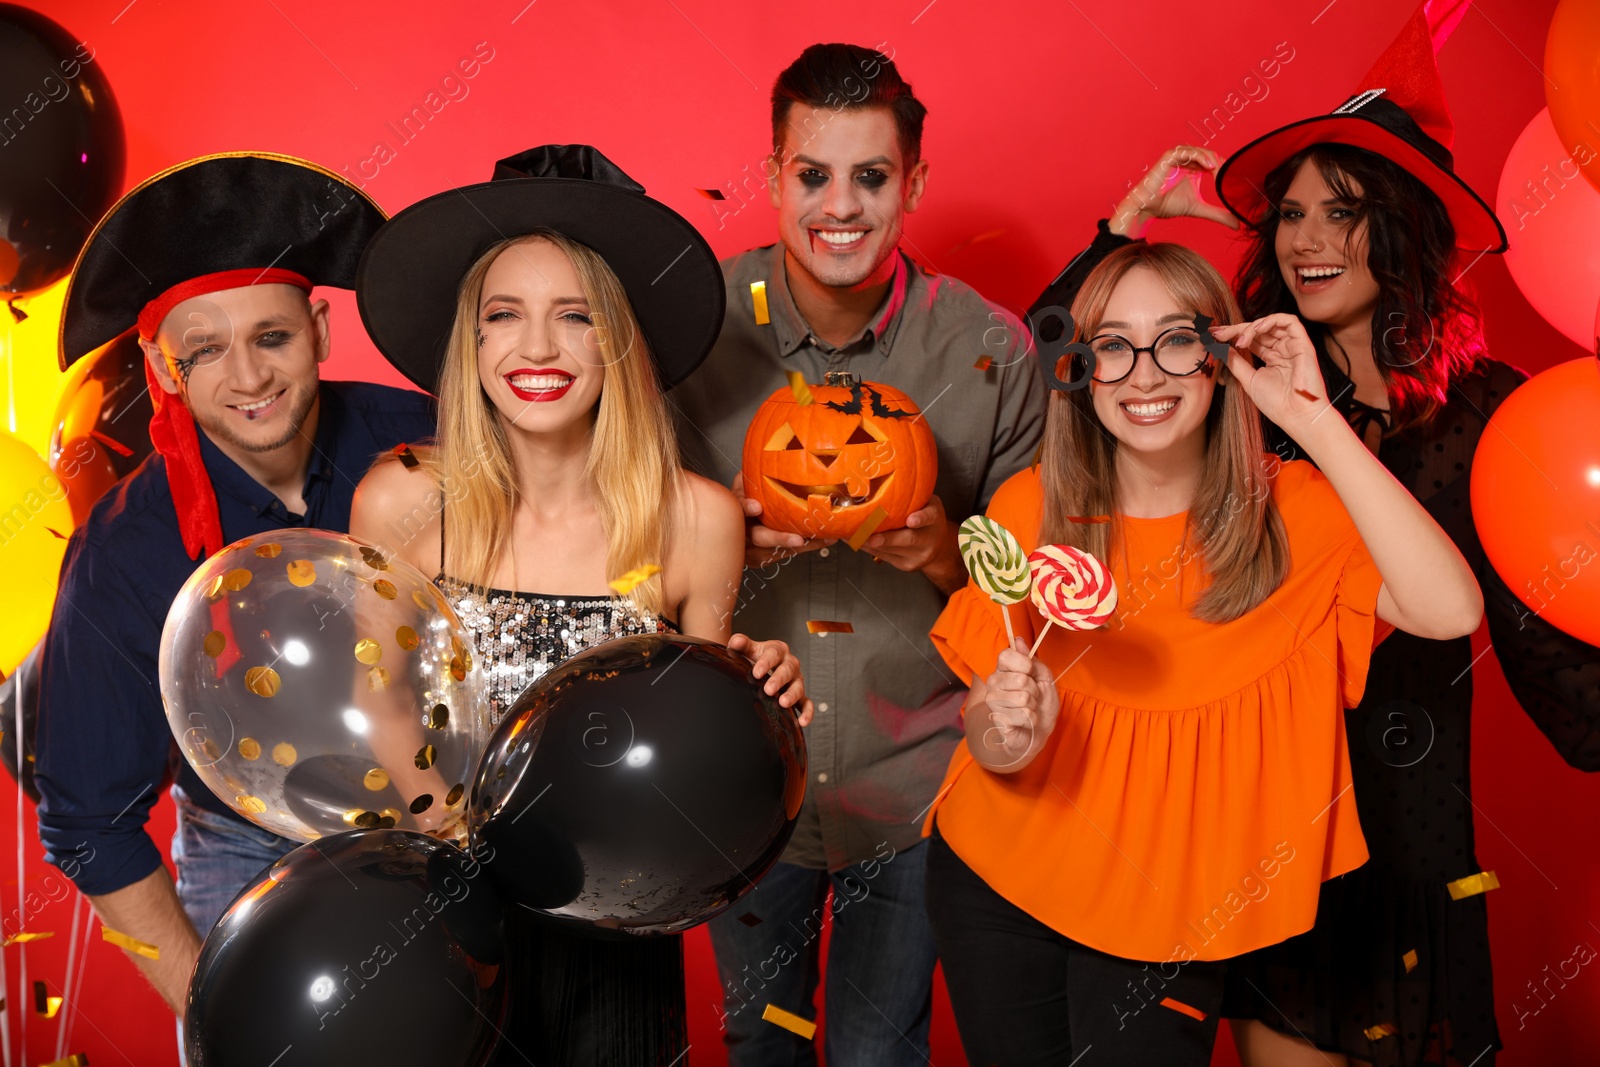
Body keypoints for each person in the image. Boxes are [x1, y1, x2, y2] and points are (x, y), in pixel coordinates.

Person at [1026, 10, 1600, 1064]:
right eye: (1289, 214)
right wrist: (1120, 232)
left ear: (1408, 226)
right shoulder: (1237, 394)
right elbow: (1061, 390)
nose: (1306, 241)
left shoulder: (1485, 416)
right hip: (1268, 830)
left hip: (1420, 835)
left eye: (1344, 212)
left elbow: (1538, 635)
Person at [924, 239, 1482, 1066]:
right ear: (1083, 367)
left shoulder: (1295, 515)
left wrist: (1310, 417)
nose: (1144, 374)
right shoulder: (1033, 505)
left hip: (1174, 905)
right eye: (1113, 345)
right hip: (999, 884)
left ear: (1221, 360)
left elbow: (1451, 608)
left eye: (1178, 340)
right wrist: (1009, 729)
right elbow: (985, 737)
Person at [349, 143, 813, 1067]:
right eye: (504, 316)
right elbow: (381, 707)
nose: (537, 350)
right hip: (448, 925)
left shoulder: (697, 519)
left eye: (575, 317)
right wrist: (463, 855)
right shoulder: (400, 505)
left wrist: (758, 693)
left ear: (618, 338)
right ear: (470, 342)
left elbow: (691, 760)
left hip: (620, 943)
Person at [668, 42, 1047, 1065]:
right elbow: (616, 553)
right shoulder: (691, 335)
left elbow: (1042, 603)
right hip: (743, 782)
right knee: (760, 1040)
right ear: (772, 175)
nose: (841, 204)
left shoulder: (988, 349)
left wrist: (940, 556)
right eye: (813, 174)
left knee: (881, 1049)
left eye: (871, 176)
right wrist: (719, 552)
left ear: (913, 182)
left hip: (916, 782)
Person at [34, 153, 436, 1015]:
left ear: (321, 329)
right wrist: (213, 1003)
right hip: (250, 853)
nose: (249, 378)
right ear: (163, 365)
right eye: (206, 350)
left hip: (442, 825)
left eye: (273, 337)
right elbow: (89, 824)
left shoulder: (429, 443)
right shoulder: (125, 554)